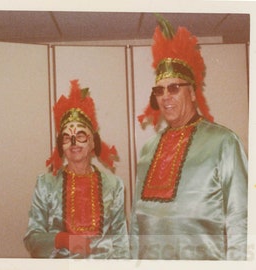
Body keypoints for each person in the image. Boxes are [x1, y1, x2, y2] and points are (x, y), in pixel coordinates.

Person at [130, 16, 248, 260]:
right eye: (159, 90)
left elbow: (242, 220)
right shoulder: (148, 149)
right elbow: (135, 224)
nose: (166, 97)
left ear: (192, 93)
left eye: (174, 88)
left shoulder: (224, 143)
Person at [23, 80, 130, 259]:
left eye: (80, 136)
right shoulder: (46, 183)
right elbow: (32, 239)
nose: (73, 144)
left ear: (92, 142)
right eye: (67, 138)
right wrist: (62, 240)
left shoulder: (114, 185)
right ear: (60, 146)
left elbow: (121, 243)